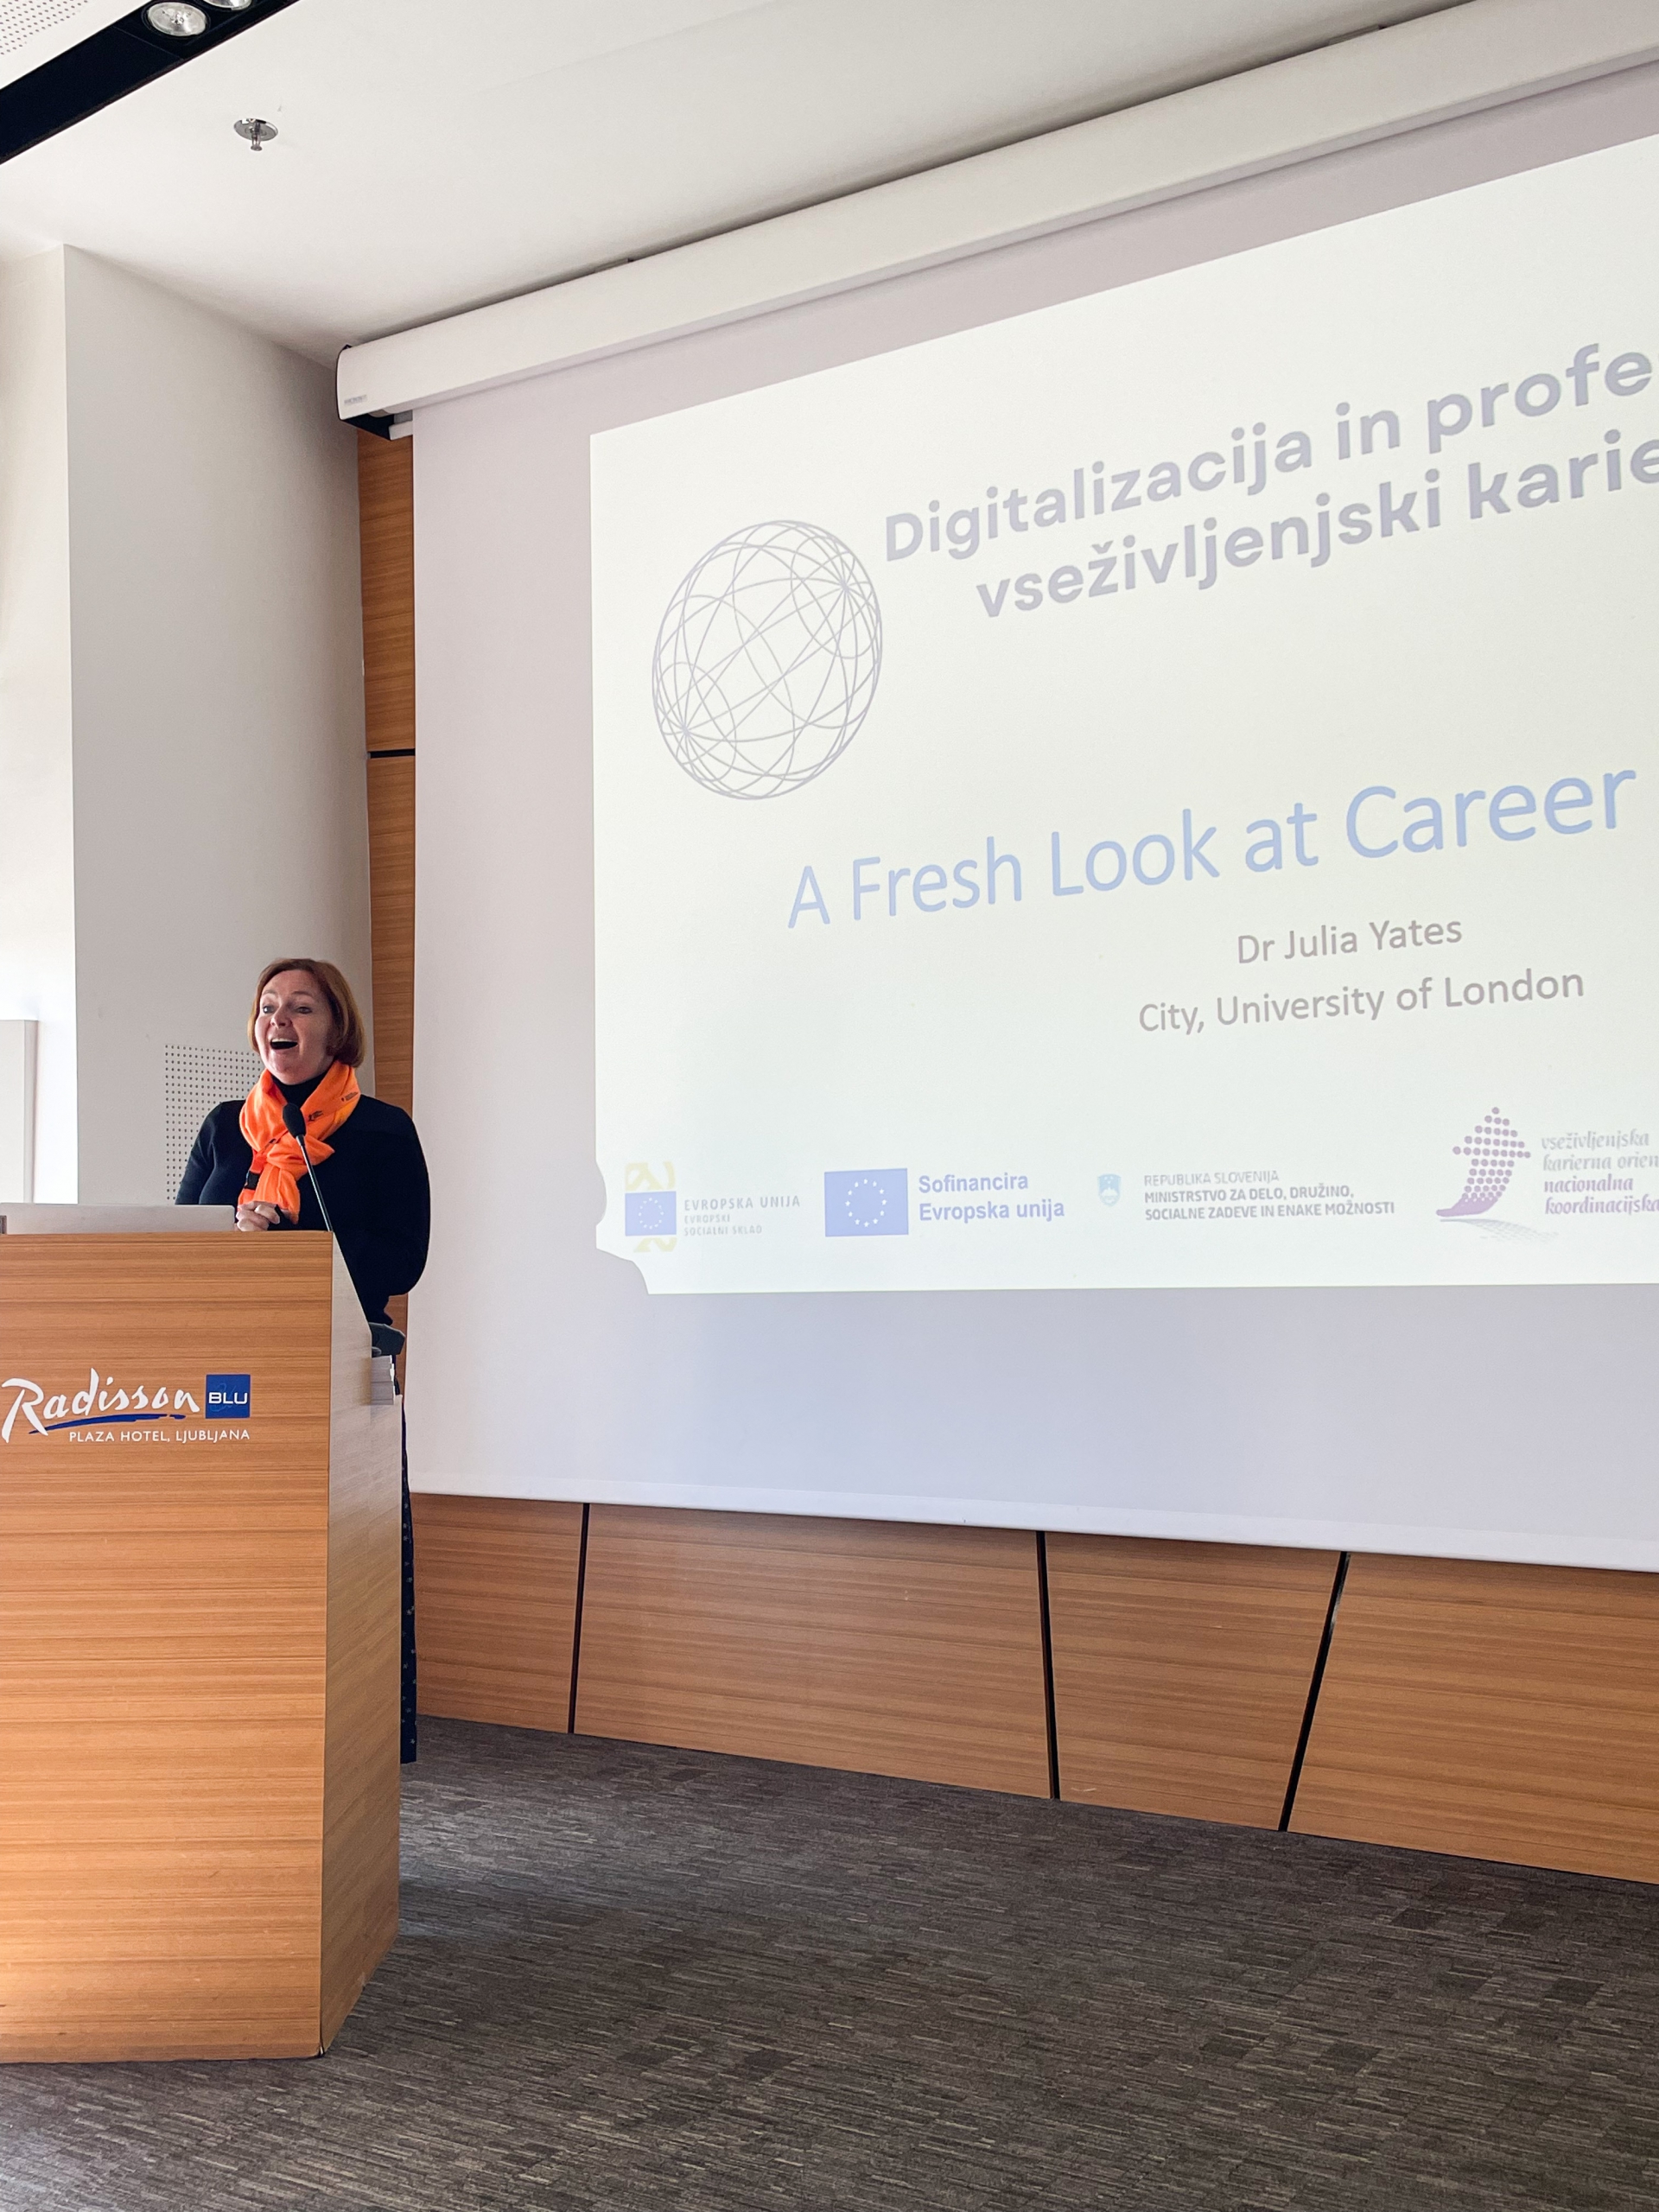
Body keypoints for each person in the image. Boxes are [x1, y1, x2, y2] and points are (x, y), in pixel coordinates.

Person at [176, 958, 429, 1763]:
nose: (278, 1020)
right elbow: (179, 1240)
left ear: (336, 1026)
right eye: (267, 1007)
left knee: (337, 1571)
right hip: (228, 1371)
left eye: (300, 1007)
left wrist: (293, 1244)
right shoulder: (226, 1127)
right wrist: (235, 1233)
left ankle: (353, 1740)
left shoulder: (382, 1131)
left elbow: (403, 1259)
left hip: (338, 1372)